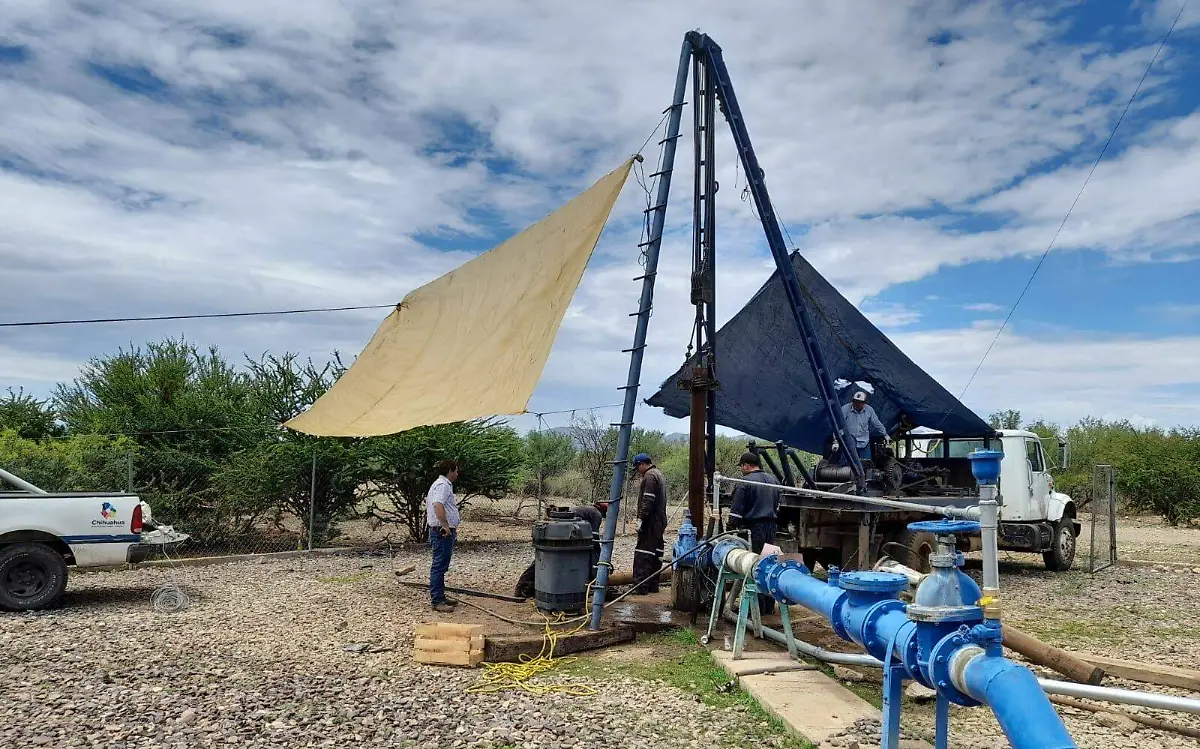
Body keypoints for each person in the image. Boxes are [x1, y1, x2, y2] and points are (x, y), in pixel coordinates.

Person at [727, 452, 781, 615]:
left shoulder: (744, 483)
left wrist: (729, 531)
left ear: (746, 465)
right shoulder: (773, 481)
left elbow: (736, 513)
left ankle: (755, 609)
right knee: (769, 563)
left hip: (753, 528)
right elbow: (778, 505)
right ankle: (768, 606)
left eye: (741, 466)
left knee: (753, 566)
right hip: (771, 527)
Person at [426, 459, 461, 613]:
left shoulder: (442, 485)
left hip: (440, 530)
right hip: (441, 532)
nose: (457, 474)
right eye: (456, 471)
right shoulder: (443, 486)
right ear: (450, 471)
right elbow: (437, 504)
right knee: (439, 566)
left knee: (442, 565)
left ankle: (440, 595)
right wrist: (445, 525)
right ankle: (437, 600)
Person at [631, 453, 668, 595]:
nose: (638, 472)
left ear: (641, 464)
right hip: (660, 520)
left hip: (651, 520)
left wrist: (641, 518)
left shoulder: (649, 476)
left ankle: (640, 586)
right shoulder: (658, 474)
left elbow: (648, 500)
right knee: (657, 552)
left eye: (637, 468)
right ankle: (653, 584)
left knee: (643, 552)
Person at [841, 390, 887, 466]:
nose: (857, 404)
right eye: (855, 401)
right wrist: (836, 441)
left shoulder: (869, 410)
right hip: (849, 443)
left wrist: (885, 434)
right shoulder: (845, 409)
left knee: (867, 464)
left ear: (864, 403)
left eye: (859, 402)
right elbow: (839, 425)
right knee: (847, 465)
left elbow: (876, 423)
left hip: (864, 442)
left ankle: (865, 477)